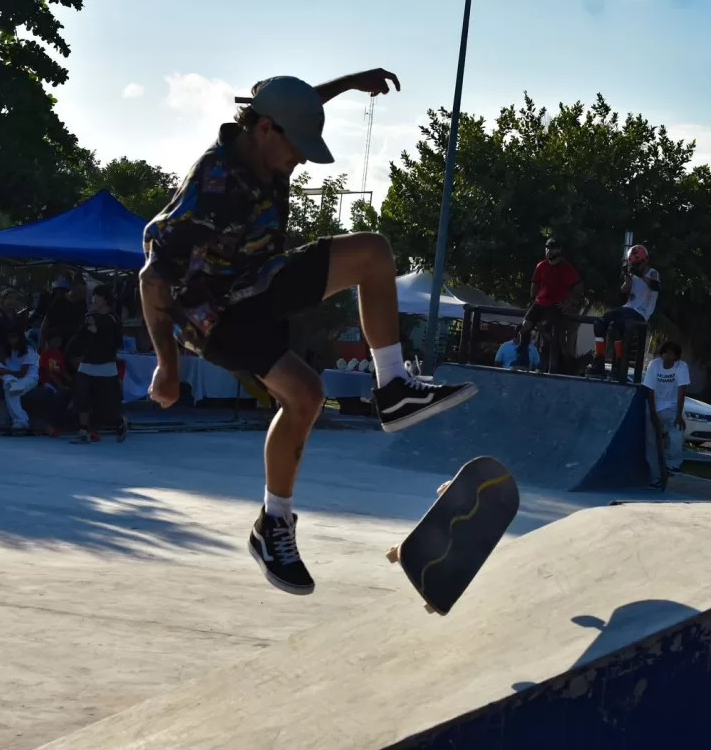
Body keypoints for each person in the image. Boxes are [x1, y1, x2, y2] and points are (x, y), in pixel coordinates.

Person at [139, 71, 476, 595]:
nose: (299, 160)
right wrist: (168, 363)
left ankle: (392, 389)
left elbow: (299, 101)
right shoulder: (214, 184)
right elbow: (152, 278)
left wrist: (351, 82)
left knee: (373, 253)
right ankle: (274, 525)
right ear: (267, 130)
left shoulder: (272, 132)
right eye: (297, 149)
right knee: (307, 394)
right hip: (212, 316)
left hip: (259, 280)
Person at [589, 244, 660, 380]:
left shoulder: (653, 273)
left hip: (641, 312)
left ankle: (619, 363)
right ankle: (599, 359)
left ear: (644, 261)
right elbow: (624, 291)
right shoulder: (632, 274)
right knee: (600, 322)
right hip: (628, 307)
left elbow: (655, 286)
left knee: (617, 326)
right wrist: (627, 277)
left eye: (637, 264)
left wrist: (640, 274)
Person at [69, 284, 126, 444]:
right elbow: (81, 337)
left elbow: (116, 342)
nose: (94, 299)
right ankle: (83, 431)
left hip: (106, 364)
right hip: (88, 362)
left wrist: (98, 331)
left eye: (98, 296)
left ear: (106, 299)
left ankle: (120, 422)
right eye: (93, 295)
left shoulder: (114, 318)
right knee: (82, 396)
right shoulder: (89, 315)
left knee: (108, 401)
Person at [513, 237, 582, 369]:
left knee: (548, 333)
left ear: (559, 250)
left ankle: (546, 365)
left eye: (552, 248)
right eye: (547, 248)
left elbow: (578, 286)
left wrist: (569, 302)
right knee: (523, 327)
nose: (548, 251)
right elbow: (535, 284)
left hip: (555, 304)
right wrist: (533, 300)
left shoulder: (566, 268)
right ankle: (522, 359)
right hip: (540, 302)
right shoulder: (541, 266)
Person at [641, 341, 689, 488]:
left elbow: (682, 391)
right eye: (666, 353)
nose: (668, 357)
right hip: (655, 406)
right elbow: (650, 390)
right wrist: (653, 413)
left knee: (677, 433)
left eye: (672, 354)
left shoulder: (681, 367)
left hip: (673, 408)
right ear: (662, 354)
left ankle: (672, 464)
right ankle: (655, 477)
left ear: (676, 357)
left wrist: (679, 415)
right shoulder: (654, 365)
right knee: (651, 443)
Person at [0, 324, 39, 433]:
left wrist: (7, 372)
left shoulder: (28, 351)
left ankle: (20, 421)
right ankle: (21, 422)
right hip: (12, 377)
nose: (12, 340)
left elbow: (22, 374)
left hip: (29, 378)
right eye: (10, 337)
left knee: (11, 390)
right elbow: (1, 365)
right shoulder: (8, 350)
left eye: (14, 337)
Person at [39, 274, 87, 353]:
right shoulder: (59, 302)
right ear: (73, 288)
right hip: (55, 342)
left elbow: (82, 324)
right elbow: (45, 323)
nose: (82, 295)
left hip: (71, 344)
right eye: (80, 291)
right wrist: (41, 343)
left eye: (84, 292)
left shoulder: (82, 304)